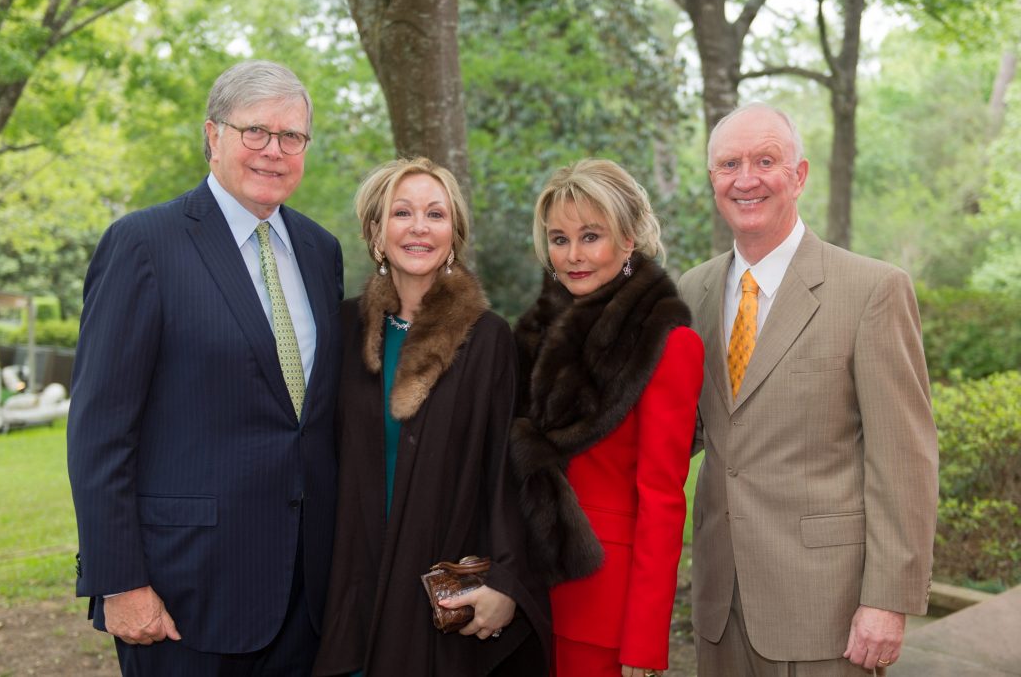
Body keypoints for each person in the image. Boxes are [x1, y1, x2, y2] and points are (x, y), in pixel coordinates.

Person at [67, 60, 344, 676]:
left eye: (291, 136)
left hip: (306, 594)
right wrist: (119, 582)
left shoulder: (322, 251)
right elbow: (99, 430)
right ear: (213, 135)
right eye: (256, 132)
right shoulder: (143, 244)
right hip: (182, 594)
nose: (274, 151)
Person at [678, 103, 939, 675]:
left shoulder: (871, 291)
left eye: (765, 160)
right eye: (728, 164)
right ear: (713, 180)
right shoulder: (691, 292)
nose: (746, 178)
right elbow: (680, 433)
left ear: (798, 176)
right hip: (720, 609)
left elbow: (904, 460)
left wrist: (887, 601)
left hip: (829, 612)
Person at [312, 157, 549, 677]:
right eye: (402, 212)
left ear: (454, 235)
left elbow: (508, 475)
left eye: (435, 214)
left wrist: (507, 582)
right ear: (376, 232)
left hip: (439, 587)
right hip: (352, 581)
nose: (419, 227)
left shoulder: (486, 339)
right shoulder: (344, 328)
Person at [511, 158, 704, 677]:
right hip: (523, 593)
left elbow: (663, 501)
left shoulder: (667, 345)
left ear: (629, 240)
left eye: (590, 236)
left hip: (601, 605)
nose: (572, 255)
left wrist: (643, 644)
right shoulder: (532, 334)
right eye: (559, 238)